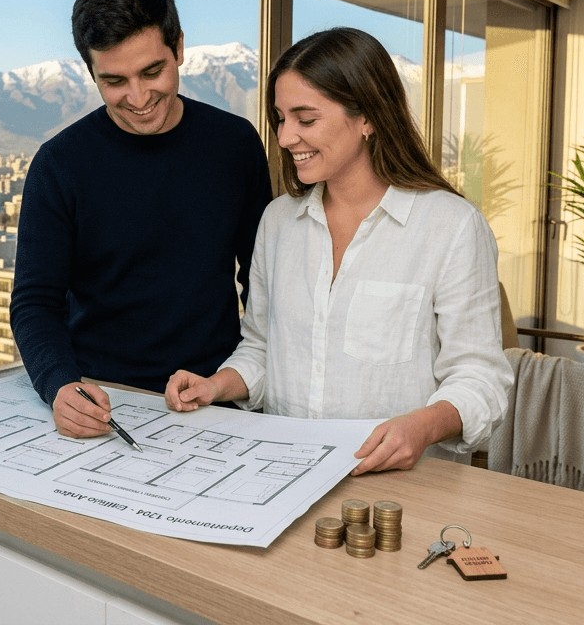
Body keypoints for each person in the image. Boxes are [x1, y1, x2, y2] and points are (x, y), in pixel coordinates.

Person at [164, 27, 512, 474]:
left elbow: (481, 378)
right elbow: (262, 349)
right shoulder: (277, 222)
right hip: (281, 474)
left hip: (401, 490)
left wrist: (423, 426)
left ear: (366, 117)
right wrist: (216, 386)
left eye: (305, 120)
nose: (286, 137)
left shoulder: (453, 228)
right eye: (280, 118)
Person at [11, 0, 272, 440]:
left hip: (216, 396)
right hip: (104, 402)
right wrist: (59, 385)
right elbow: (35, 302)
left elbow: (261, 282)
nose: (138, 97)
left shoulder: (235, 145)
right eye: (114, 81)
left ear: (180, 48)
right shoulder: (59, 164)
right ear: (91, 73)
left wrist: (253, 381)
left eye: (153, 71)